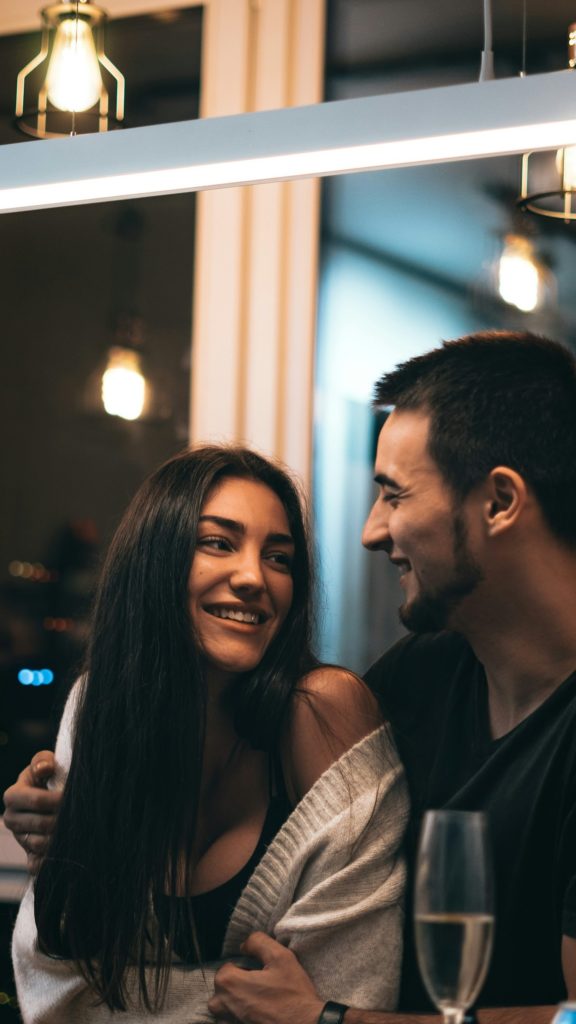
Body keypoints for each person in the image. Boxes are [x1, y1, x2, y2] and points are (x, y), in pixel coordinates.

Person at [8, 329, 576, 1024]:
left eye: (394, 495)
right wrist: (91, 825)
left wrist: (327, 1021)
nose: (370, 531)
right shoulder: (424, 677)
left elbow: (570, 1016)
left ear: (499, 501)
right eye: (215, 542)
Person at [7, 445, 408, 1023]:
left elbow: (353, 994)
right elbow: (55, 982)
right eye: (217, 542)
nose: (253, 578)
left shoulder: (324, 712)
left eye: (279, 557)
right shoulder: (99, 705)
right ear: (155, 559)